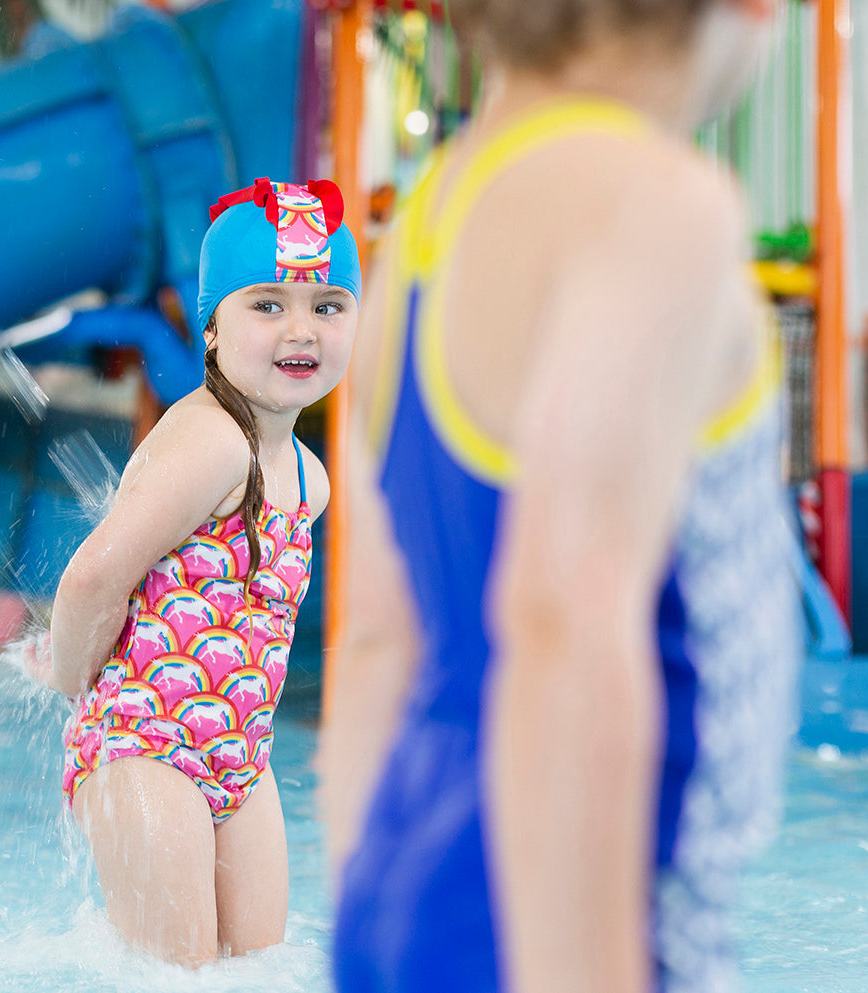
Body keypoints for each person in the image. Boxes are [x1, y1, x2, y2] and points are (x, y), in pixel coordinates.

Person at [322, 2, 799, 992]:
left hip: (403, 890)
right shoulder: (656, 203)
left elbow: (374, 638)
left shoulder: (418, 231)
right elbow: (564, 617)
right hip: (564, 922)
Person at [28, 177, 361, 966]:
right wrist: (71, 680)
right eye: (267, 303)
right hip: (144, 743)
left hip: (239, 753)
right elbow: (89, 578)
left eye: (327, 304)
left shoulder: (308, 478)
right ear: (211, 328)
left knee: (257, 970)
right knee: (176, 977)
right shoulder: (210, 440)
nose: (300, 328)